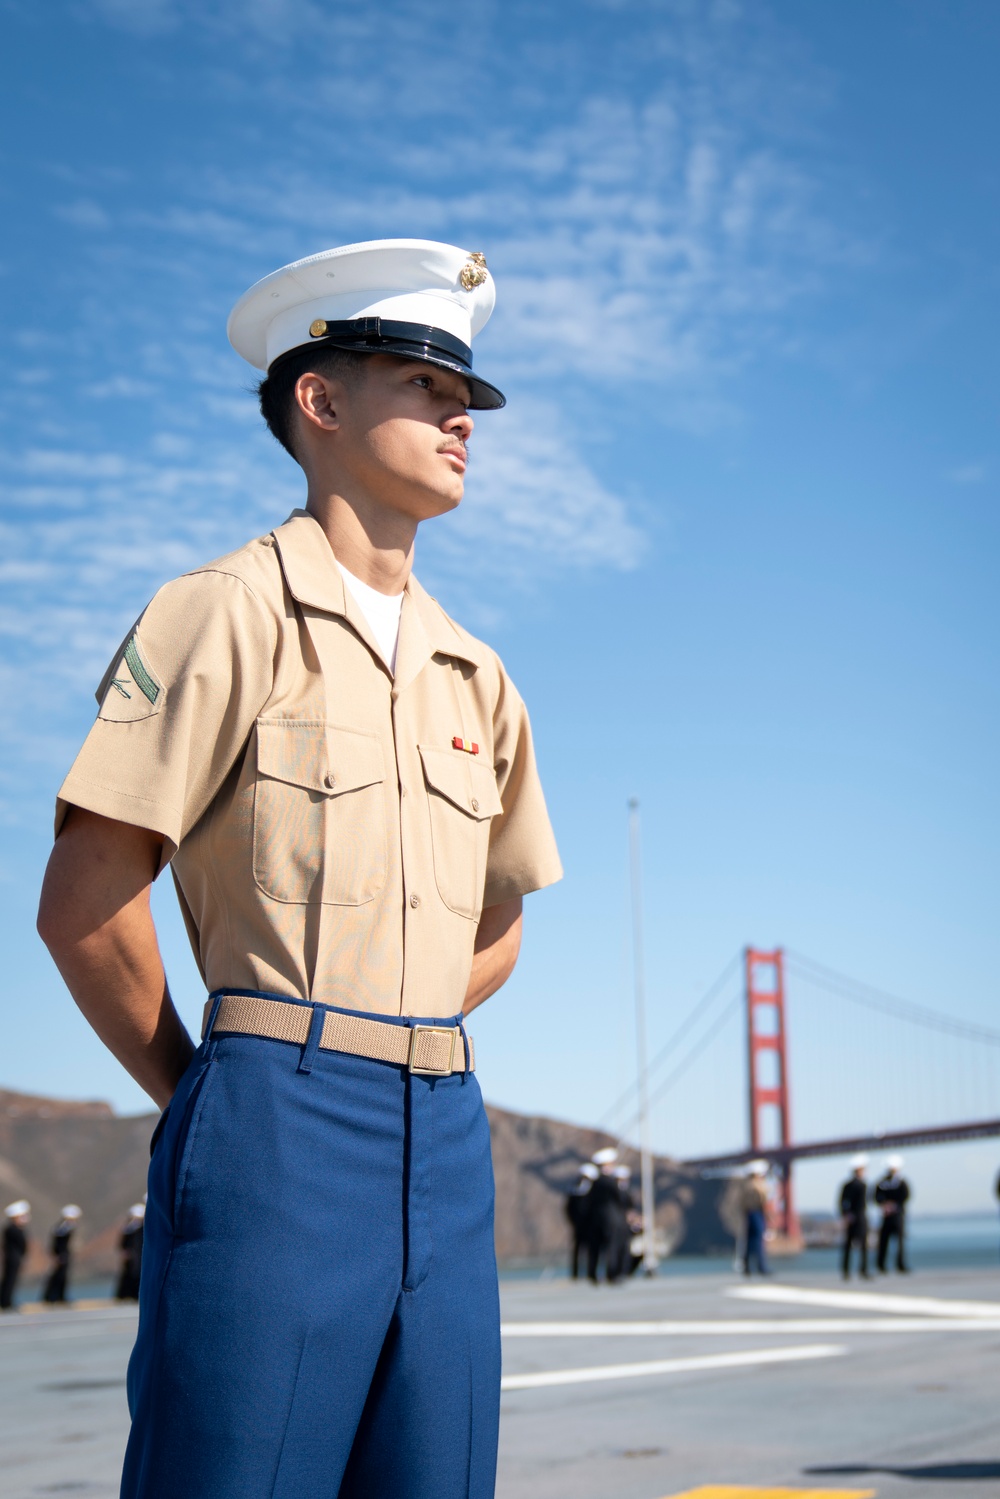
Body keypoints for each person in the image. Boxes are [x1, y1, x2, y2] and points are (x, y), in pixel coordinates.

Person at [37, 239, 562, 1499]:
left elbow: (500, 916)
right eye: (423, 385)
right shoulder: (221, 610)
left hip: (443, 1133)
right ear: (319, 401)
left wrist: (402, 1029)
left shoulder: (477, 676)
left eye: (468, 397)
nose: (460, 416)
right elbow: (85, 898)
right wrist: (222, 1086)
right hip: (272, 1113)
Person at [585, 1147, 630, 1284]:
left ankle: (592, 1274)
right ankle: (613, 1274)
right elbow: (620, 1199)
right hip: (612, 1218)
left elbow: (588, 1201)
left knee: (596, 1247)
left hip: (595, 1218)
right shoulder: (611, 1182)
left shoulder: (594, 1183)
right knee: (613, 1245)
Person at [875, 1154, 910, 1274]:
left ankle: (900, 1264)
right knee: (883, 1241)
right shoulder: (882, 1182)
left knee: (900, 1242)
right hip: (886, 1216)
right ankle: (881, 1265)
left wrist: (894, 1205)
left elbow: (906, 1196)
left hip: (898, 1216)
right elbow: (875, 1196)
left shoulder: (901, 1182)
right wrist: (884, 1205)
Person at [565, 1162, 599, 1279]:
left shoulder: (592, 1191)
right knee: (578, 1250)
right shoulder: (575, 1191)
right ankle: (576, 1273)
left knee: (591, 1250)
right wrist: (575, 1222)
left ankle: (590, 1272)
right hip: (580, 1226)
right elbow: (569, 1209)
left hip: (590, 1225)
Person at [839, 1155, 871, 1280]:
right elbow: (862, 1203)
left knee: (850, 1245)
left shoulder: (847, 1185)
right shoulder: (862, 1185)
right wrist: (849, 1214)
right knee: (861, 1245)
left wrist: (846, 1214)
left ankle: (847, 1271)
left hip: (852, 1217)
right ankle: (862, 1270)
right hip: (859, 1217)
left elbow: (841, 1202)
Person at [42, 1205, 82, 1304]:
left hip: (62, 1255)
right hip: (62, 1255)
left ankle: (58, 1296)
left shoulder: (62, 1227)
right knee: (59, 1277)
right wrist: (58, 1255)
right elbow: (58, 1244)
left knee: (61, 1277)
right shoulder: (63, 1228)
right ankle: (54, 1297)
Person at [740, 1160, 771, 1276]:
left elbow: (741, 1203)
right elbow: (765, 1199)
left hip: (748, 1213)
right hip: (757, 1212)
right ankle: (761, 1267)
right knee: (758, 1240)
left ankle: (747, 1266)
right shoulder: (758, 1185)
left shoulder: (745, 1185)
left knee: (749, 1240)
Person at [1, 1201, 30, 1311]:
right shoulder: (12, 1229)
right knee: (9, 1280)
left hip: (14, 1258)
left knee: (11, 1280)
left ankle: (7, 1301)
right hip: (12, 1258)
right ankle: (6, 1302)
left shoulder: (14, 1229)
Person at [116, 1203, 145, 1301]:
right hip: (132, 1256)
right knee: (128, 1275)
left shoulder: (141, 1227)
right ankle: (125, 1295)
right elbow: (123, 1243)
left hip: (139, 1255)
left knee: (137, 1274)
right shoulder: (129, 1228)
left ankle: (135, 1294)